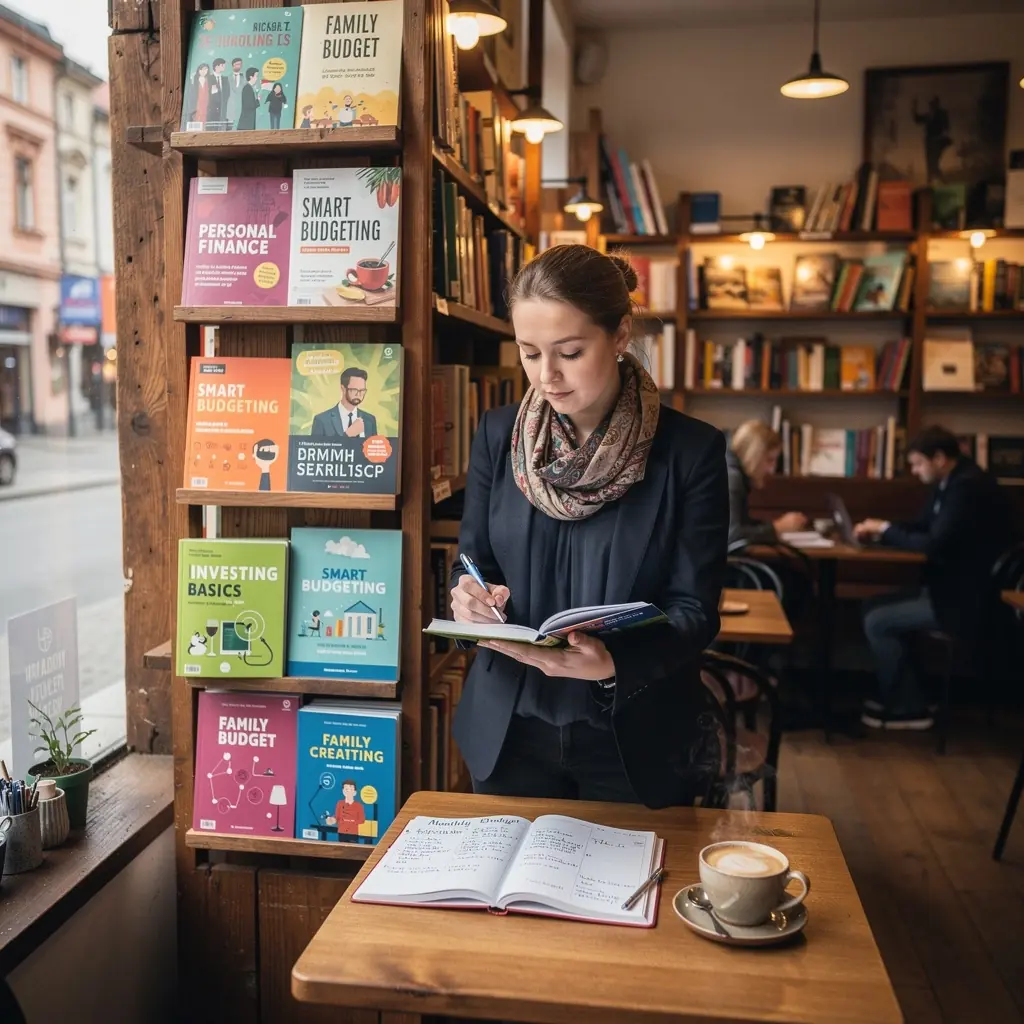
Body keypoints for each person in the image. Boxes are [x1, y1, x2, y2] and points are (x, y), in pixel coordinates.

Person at [448, 244, 729, 809]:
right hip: (508, 734)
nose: (546, 376)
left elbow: (695, 612)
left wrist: (616, 660)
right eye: (529, 353)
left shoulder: (689, 452)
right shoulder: (497, 436)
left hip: (634, 739)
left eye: (570, 352)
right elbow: (471, 562)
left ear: (620, 335)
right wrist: (468, 600)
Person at [854, 425, 1015, 730]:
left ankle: (908, 708)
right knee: (871, 606)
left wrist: (887, 531)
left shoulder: (968, 488)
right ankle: (909, 695)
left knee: (878, 620)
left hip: (969, 600)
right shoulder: (952, 482)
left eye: (917, 463)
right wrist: (882, 528)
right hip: (950, 588)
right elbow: (923, 526)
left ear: (939, 458)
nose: (914, 471)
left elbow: (932, 544)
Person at [726, 420, 807, 547]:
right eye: (769, 460)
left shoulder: (732, 473)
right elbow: (732, 536)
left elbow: (741, 524)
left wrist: (774, 526)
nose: (772, 469)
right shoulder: (731, 479)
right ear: (753, 456)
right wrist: (776, 528)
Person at [311, 367, 378, 438]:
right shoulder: (322, 420)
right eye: (354, 390)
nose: (358, 394)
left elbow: (373, 448)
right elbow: (316, 447)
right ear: (343, 389)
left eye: (362, 390)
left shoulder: (370, 420)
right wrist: (348, 434)